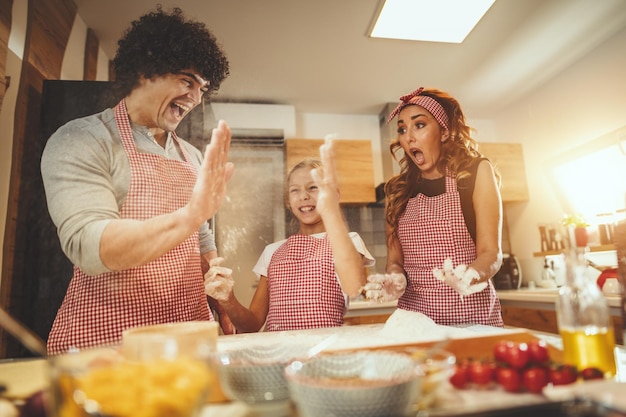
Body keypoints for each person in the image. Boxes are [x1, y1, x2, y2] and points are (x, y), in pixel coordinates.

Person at [41, 6, 234, 355]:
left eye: (203, 88)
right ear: (146, 69)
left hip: (187, 335)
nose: (195, 99)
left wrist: (219, 298)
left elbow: (200, 235)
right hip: (108, 341)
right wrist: (191, 214)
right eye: (186, 81)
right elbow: (90, 245)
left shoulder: (190, 155)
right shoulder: (84, 139)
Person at [363, 87, 504, 327]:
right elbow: (395, 261)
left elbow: (491, 253)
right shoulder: (396, 191)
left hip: (471, 320)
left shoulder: (474, 173)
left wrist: (469, 275)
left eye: (419, 125)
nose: (408, 137)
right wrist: (395, 280)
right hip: (414, 324)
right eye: (402, 129)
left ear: (444, 132)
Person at [205, 140, 375, 332]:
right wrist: (228, 300)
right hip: (279, 353)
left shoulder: (348, 241)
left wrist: (331, 210)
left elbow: (355, 285)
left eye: (313, 188)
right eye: (295, 190)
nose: (303, 196)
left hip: (326, 350)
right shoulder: (272, 251)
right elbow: (252, 325)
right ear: (289, 201)